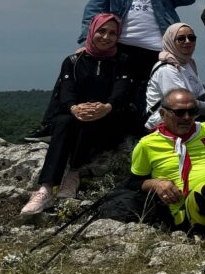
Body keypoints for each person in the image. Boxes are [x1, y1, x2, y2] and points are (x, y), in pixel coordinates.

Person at [22, 13, 134, 216]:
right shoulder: (73, 61)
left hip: (109, 120)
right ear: (92, 31)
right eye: (101, 30)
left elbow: (122, 89)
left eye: (112, 33)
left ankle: (73, 173)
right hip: (76, 116)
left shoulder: (122, 61)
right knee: (66, 120)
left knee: (87, 118)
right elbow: (67, 88)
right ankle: (46, 188)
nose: (106, 37)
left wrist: (107, 107)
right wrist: (74, 107)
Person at [130, 88, 205, 235]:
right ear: (162, 114)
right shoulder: (147, 144)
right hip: (192, 204)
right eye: (179, 112)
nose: (187, 117)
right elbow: (134, 182)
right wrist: (156, 184)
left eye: (192, 112)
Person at [145, 23, 205, 128]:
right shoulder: (167, 69)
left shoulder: (187, 63)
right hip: (165, 120)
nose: (188, 41)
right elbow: (180, 103)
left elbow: (200, 94)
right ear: (171, 41)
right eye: (181, 39)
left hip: (186, 114)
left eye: (191, 38)